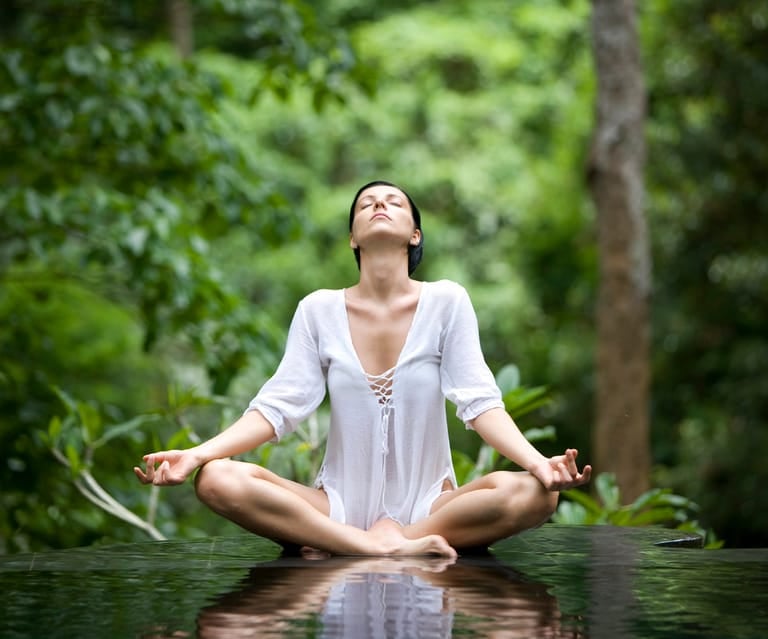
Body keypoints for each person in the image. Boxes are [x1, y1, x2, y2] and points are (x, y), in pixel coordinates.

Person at [134, 180, 591, 558]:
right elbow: (276, 409)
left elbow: (481, 404)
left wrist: (539, 464)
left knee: (537, 494)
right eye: (366, 203)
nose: (379, 204)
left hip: (432, 509)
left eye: (395, 201)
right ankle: (370, 546)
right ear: (353, 237)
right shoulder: (318, 310)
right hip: (335, 508)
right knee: (216, 478)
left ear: (414, 234)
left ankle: (389, 541)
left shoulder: (447, 302)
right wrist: (197, 454)